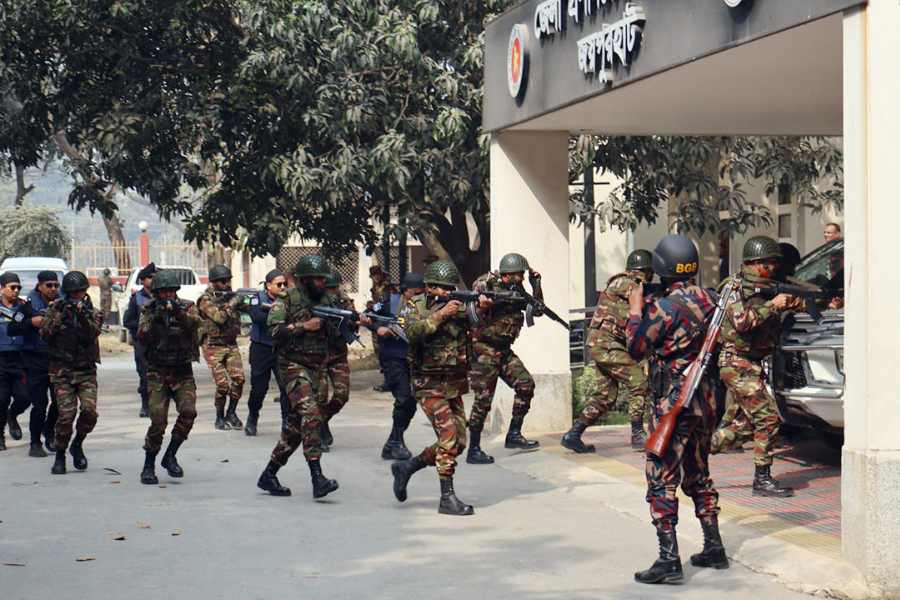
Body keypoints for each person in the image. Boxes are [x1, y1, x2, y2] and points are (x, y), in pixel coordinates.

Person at [627, 235, 726, 584]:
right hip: (707, 400)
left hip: (675, 401)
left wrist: (635, 310)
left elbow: (636, 348)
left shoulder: (664, 308)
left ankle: (669, 559)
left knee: (661, 478)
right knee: (698, 471)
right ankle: (714, 547)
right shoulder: (713, 300)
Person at [390, 260, 488, 516]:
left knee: (460, 443)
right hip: (428, 384)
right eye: (443, 288)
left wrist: (483, 308)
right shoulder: (415, 305)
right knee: (448, 438)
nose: (448, 292)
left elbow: (478, 326)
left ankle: (408, 467)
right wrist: (441, 314)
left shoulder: (460, 307)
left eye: (451, 288)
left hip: (453, 383)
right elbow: (412, 332)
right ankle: (447, 498)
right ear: (430, 287)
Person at [710, 236, 797, 498]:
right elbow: (742, 321)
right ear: (757, 263)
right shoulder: (735, 287)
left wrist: (821, 302)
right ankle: (762, 479)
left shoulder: (765, 287)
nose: (776, 268)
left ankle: (691, 451)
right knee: (768, 417)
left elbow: (788, 303)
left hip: (751, 364)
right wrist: (774, 305)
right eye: (772, 262)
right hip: (736, 362)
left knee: (745, 426)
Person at [256, 254, 342, 499]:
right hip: (293, 367)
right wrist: (304, 326)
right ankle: (317, 477)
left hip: (316, 369)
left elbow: (336, 333)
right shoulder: (286, 300)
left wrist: (354, 324)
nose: (322, 282)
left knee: (294, 429)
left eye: (323, 278)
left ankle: (269, 474)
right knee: (312, 417)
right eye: (317, 278)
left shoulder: (327, 300)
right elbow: (274, 331)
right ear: (304, 279)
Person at [561, 250, 654, 453]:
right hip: (607, 344)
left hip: (602, 344)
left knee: (605, 397)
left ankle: (573, 435)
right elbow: (641, 302)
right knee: (638, 382)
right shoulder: (628, 284)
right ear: (645, 271)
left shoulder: (621, 283)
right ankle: (638, 435)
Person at [466, 253, 541, 464]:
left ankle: (514, 434)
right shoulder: (485, 284)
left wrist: (536, 285)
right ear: (508, 274)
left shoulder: (517, 289)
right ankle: (474, 449)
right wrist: (484, 306)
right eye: (520, 274)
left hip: (503, 350)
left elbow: (537, 310)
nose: (522, 278)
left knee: (526, 385)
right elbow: (470, 315)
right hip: (483, 350)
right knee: (483, 400)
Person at [138, 270, 203, 485]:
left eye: (171, 291)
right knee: (158, 421)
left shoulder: (187, 306)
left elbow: (197, 323)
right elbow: (141, 336)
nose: (167, 295)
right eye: (163, 291)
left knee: (188, 412)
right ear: (156, 293)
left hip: (182, 371)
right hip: (157, 372)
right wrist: (156, 319)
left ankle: (170, 454)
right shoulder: (148, 309)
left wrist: (179, 314)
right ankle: (149, 464)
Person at [41, 272, 102, 475]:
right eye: (73, 292)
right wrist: (61, 317)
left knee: (89, 413)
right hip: (62, 372)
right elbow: (44, 334)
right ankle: (60, 454)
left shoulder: (93, 312)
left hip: (85, 371)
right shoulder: (55, 309)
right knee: (66, 416)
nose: (77, 295)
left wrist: (82, 317)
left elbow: (93, 332)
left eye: (80, 291)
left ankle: (77, 443)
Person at [370, 272, 424, 460]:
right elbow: (369, 314)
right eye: (415, 293)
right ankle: (398, 442)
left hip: (414, 358)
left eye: (422, 293)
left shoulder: (425, 305)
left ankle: (392, 442)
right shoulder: (388, 301)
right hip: (393, 358)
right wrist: (378, 328)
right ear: (405, 291)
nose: (419, 297)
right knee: (403, 398)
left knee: (411, 402)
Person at [7, 271, 60, 456]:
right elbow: (12, 327)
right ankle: (35, 443)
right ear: (40, 286)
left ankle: (49, 430)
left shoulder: (61, 305)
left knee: (60, 402)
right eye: (49, 285)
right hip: (35, 361)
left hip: (57, 360)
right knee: (39, 404)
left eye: (56, 285)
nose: (53, 289)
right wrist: (30, 322)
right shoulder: (28, 306)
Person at [318, 269, 370, 451]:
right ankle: (319, 433)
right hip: (318, 355)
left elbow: (352, 319)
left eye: (336, 287)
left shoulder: (344, 301)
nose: (334, 291)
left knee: (342, 394)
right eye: (330, 288)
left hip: (338, 353)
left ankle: (321, 420)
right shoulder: (315, 302)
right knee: (320, 396)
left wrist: (358, 321)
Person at [198, 265, 247, 430]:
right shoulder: (206, 300)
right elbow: (219, 318)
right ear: (214, 282)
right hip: (213, 346)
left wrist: (248, 299)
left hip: (230, 344)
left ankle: (231, 412)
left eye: (228, 280)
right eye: (223, 281)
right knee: (222, 384)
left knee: (239, 379)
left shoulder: (229, 297)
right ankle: (219, 416)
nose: (227, 284)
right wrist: (232, 304)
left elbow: (250, 306)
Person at [245, 269, 290, 436]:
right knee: (259, 389)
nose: (282, 287)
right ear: (268, 285)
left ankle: (286, 422)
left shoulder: (288, 299)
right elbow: (256, 316)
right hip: (261, 349)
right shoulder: (257, 298)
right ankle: (252, 416)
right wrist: (278, 316)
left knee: (286, 387)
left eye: (285, 284)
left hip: (281, 348)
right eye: (279, 284)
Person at [0, 273, 30, 452]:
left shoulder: (24, 308)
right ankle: (0, 436)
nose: (16, 291)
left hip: (20, 358)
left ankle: (12, 415)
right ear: (2, 288)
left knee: (25, 397)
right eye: (12, 287)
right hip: (1, 358)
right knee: (1, 399)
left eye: (18, 287)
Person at [123, 263, 156, 418]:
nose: (152, 280)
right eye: (150, 277)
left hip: (159, 342)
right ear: (143, 280)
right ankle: (145, 405)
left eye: (155, 277)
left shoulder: (162, 296)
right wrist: (144, 326)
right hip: (142, 343)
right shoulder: (136, 298)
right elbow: (127, 321)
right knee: (145, 373)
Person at [368, 265, 390, 392]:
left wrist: (373, 308)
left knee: (386, 352)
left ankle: (389, 380)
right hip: (377, 321)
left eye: (378, 274)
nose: (376, 277)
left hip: (385, 321)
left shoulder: (387, 287)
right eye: (373, 275)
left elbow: (386, 303)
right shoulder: (375, 288)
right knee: (379, 352)